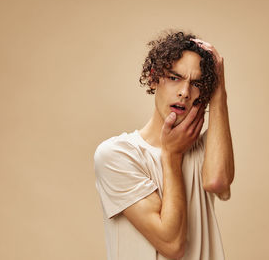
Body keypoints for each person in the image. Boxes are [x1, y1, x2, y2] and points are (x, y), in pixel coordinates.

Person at [94, 30, 235, 260]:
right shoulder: (117, 155)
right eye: (174, 78)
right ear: (153, 77)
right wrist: (171, 156)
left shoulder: (204, 148)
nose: (184, 92)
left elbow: (217, 182)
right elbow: (172, 244)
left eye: (197, 83)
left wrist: (219, 93)